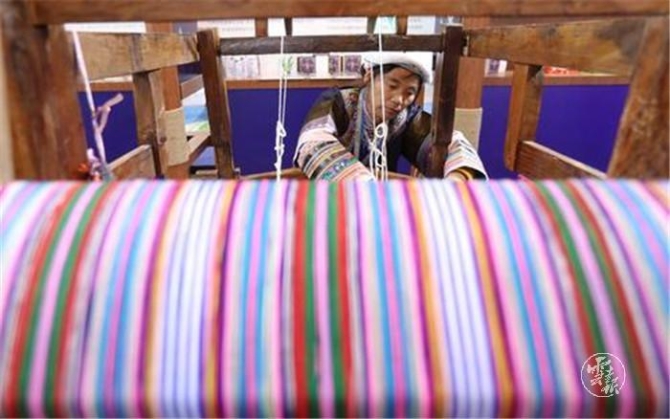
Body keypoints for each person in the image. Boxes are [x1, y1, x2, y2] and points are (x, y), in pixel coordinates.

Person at [293, 53, 488, 181]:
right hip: (331, 201)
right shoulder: (338, 102)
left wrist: (457, 179)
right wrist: (365, 186)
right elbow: (312, 143)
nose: (399, 100)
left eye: (409, 92)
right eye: (392, 86)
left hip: (378, 203)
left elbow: (448, 143)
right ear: (368, 76)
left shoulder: (406, 118)